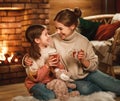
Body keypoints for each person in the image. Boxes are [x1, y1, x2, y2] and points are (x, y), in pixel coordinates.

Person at [23, 8, 120, 99]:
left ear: (72, 26)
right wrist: (25, 59)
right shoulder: (52, 39)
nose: (57, 31)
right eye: (56, 28)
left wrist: (83, 60)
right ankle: (104, 92)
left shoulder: (83, 41)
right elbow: (37, 49)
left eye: (60, 29)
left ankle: (108, 88)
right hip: (72, 79)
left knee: (115, 86)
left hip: (90, 73)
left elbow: (93, 66)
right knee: (86, 89)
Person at [24, 24, 79, 101]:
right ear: (37, 40)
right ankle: (35, 94)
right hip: (36, 84)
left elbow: (58, 70)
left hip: (50, 82)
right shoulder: (31, 58)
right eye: (46, 34)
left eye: (48, 34)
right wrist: (47, 66)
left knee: (67, 91)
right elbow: (36, 79)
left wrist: (58, 65)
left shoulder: (51, 51)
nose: (49, 36)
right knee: (50, 96)